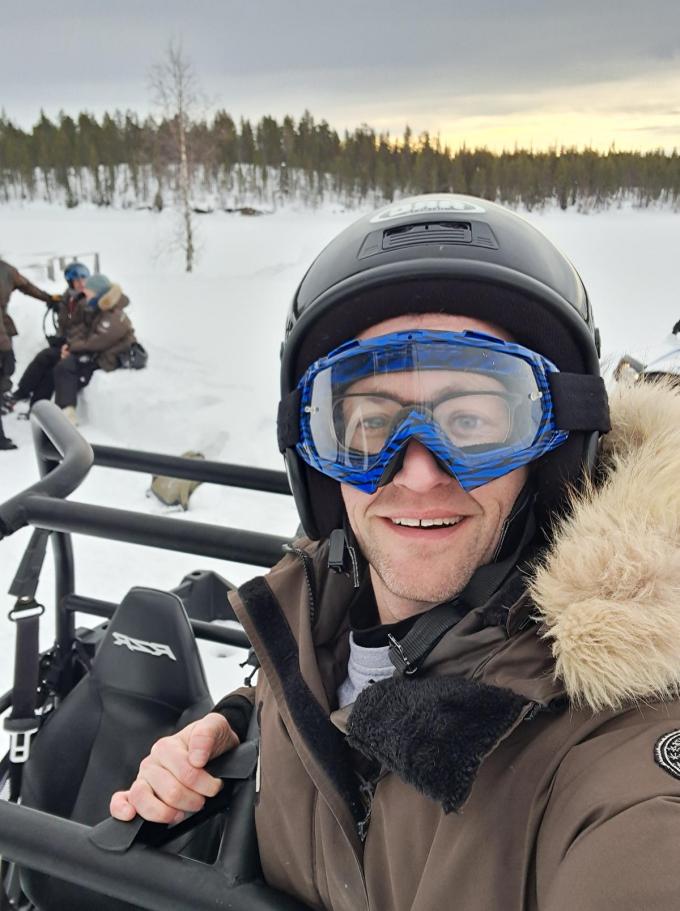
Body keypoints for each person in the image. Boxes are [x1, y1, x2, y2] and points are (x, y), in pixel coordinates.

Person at [111, 195, 680, 911]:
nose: (416, 472)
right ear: (319, 465)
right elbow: (343, 693)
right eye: (373, 423)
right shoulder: (326, 623)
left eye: (470, 421)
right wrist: (252, 720)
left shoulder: (619, 747)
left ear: (553, 448)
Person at [53, 273, 136, 423]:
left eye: (88, 290)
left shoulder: (114, 314)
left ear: (98, 292)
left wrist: (72, 348)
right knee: (57, 364)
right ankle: (50, 407)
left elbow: (96, 342)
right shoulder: (97, 306)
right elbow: (83, 330)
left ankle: (67, 415)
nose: (85, 293)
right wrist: (70, 345)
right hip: (100, 352)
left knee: (65, 367)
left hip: (109, 357)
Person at [7, 262, 91, 411]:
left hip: (80, 347)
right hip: (69, 343)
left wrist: (70, 344)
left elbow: (87, 329)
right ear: (70, 282)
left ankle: (36, 406)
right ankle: (26, 396)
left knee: (52, 368)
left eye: (83, 279)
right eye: (76, 280)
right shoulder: (68, 298)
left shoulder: (89, 300)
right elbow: (66, 325)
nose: (80, 283)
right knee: (44, 358)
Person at [0, 257, 57, 413]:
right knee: (5, 359)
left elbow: (26, 286)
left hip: (4, 325)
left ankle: (2, 396)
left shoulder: (6, 270)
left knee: (7, 366)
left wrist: (48, 298)